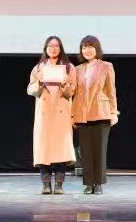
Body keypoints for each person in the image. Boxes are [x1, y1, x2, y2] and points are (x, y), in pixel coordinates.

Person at [27, 36, 77, 195]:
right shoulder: (39, 68)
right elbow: (30, 90)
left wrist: (64, 83)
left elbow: (71, 92)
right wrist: (39, 82)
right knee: (44, 148)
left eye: (56, 46)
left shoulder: (69, 68)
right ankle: (46, 183)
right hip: (44, 113)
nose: (53, 49)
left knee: (61, 148)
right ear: (45, 48)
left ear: (60, 48)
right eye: (50, 46)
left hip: (61, 113)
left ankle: (59, 184)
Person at [71, 35, 119, 195]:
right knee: (85, 151)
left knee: (99, 150)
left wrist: (113, 112)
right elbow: (75, 94)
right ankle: (88, 183)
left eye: (90, 47)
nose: (87, 50)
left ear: (96, 49)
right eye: (84, 47)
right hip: (82, 114)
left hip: (101, 112)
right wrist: (72, 115)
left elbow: (111, 91)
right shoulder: (77, 69)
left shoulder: (106, 66)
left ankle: (98, 183)